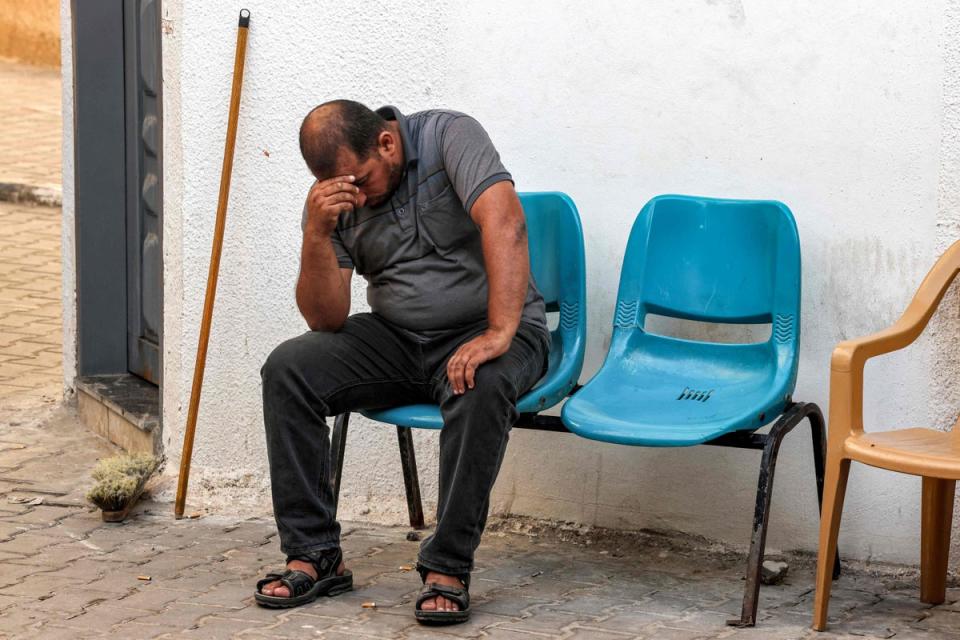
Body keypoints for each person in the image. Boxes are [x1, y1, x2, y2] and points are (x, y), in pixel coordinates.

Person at [254, 100, 549, 624]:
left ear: (387, 144)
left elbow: (506, 222)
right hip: (397, 338)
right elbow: (326, 318)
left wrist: (499, 331)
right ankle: (316, 554)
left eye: (363, 180)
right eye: (343, 186)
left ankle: (448, 566)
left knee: (479, 384)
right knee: (288, 369)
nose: (357, 196)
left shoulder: (449, 137)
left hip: (491, 331)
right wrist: (316, 234)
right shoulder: (334, 200)